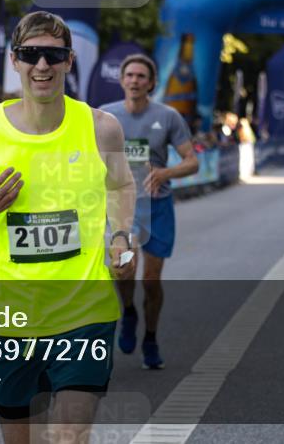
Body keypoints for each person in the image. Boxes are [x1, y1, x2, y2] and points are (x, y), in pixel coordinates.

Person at [0, 11, 136, 444]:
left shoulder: (101, 128)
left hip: (85, 310)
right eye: (31, 55)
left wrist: (120, 235)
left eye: (52, 55)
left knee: (69, 435)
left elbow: (121, 183)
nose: (41, 66)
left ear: (68, 61)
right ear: (15, 61)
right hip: (12, 313)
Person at [101, 53, 198, 370]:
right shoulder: (105, 117)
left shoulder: (168, 117)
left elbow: (191, 161)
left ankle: (151, 337)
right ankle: (128, 310)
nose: (135, 81)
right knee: (123, 271)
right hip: (122, 211)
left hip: (157, 208)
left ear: (152, 83)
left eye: (142, 76)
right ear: (121, 80)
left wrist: (164, 173)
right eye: (129, 75)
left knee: (152, 280)